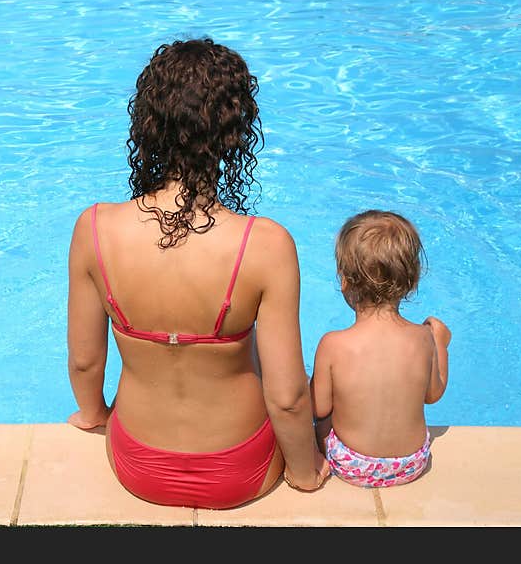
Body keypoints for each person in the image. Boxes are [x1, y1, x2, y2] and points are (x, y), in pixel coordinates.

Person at [66, 38, 328, 509]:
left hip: (137, 464)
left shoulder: (94, 229)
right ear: (236, 132)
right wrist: (306, 473)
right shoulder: (266, 244)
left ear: (147, 124)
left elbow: (86, 362)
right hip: (242, 468)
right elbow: (288, 397)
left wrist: (93, 414)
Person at [310, 210, 451, 488]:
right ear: (412, 281)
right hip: (411, 463)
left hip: (351, 464)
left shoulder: (333, 344)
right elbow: (433, 394)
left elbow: (317, 407)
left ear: (345, 281)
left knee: (320, 419)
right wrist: (441, 345)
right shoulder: (423, 338)